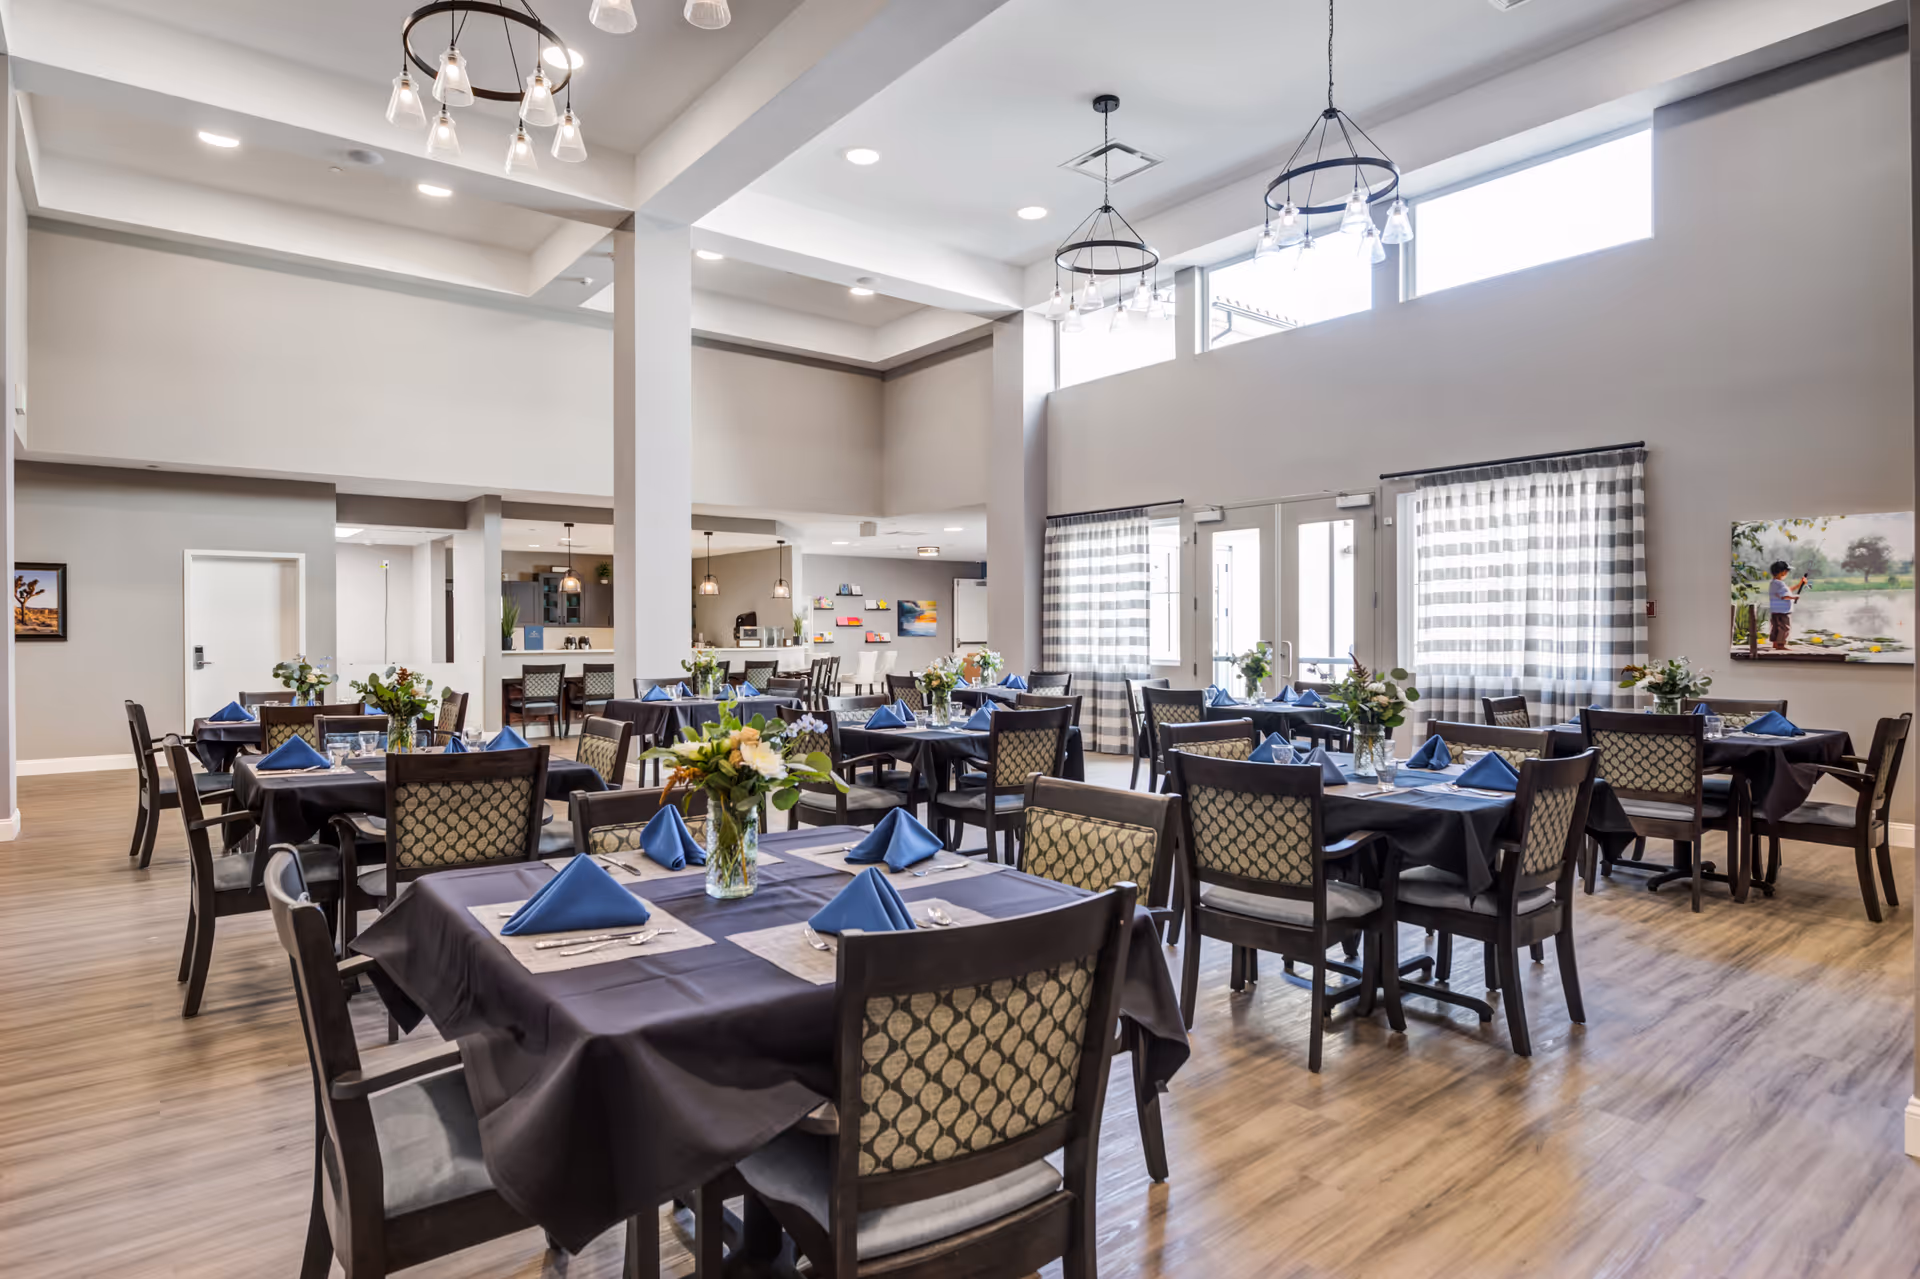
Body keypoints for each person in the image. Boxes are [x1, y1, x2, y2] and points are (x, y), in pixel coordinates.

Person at [1768, 559, 1807, 650]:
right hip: (1783, 611)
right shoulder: (1780, 584)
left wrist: (1799, 585)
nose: (1787, 573)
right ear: (1782, 572)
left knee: (1776, 627)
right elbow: (1784, 596)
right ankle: (1781, 645)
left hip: (1775, 611)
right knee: (1785, 628)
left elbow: (1787, 591)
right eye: (1786, 571)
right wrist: (1794, 597)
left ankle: (1775, 644)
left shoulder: (1774, 583)